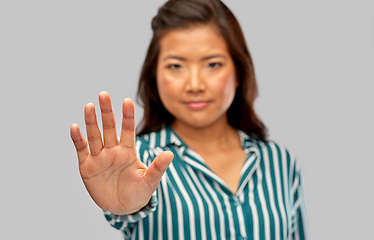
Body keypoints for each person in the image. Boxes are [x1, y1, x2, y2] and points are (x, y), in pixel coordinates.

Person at [70, 0, 310, 239]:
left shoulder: (279, 162)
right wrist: (124, 207)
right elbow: (127, 203)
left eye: (213, 64)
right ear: (154, 76)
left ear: (239, 72)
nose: (195, 85)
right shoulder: (135, 161)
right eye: (176, 66)